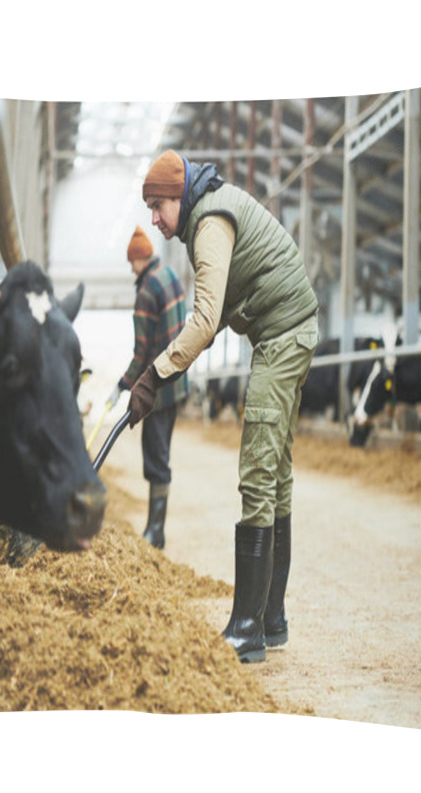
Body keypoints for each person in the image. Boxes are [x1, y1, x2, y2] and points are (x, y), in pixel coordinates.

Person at [128, 151, 319, 663]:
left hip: (282, 337)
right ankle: (270, 619)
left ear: (178, 196)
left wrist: (155, 373)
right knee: (275, 475)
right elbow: (212, 320)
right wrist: (164, 369)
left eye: (157, 206)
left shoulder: (209, 222)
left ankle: (246, 629)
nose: (154, 218)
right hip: (288, 332)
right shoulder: (206, 216)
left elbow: (205, 320)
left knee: (258, 471)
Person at [108, 226, 189, 549]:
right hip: (178, 383)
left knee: (155, 457)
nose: (131, 269)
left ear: (141, 258)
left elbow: (141, 352)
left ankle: (155, 532)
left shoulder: (146, 293)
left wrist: (122, 384)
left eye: (132, 262)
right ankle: (157, 529)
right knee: (162, 453)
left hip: (157, 388)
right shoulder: (170, 277)